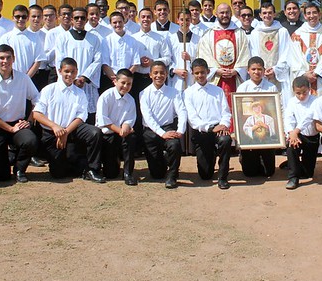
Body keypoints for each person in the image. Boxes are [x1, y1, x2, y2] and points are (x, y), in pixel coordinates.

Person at [32, 57, 106, 183]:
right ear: (60, 71)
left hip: (72, 130)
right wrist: (56, 127)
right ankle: (73, 161)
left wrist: (65, 132)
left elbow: (81, 117)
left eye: (73, 72)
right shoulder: (49, 90)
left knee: (95, 133)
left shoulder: (80, 93)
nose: (69, 75)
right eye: (66, 71)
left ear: (77, 72)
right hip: (52, 133)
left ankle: (92, 169)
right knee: (58, 174)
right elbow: (37, 114)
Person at [0, 44, 40, 183]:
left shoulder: (23, 78)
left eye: (8, 58)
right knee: (0, 176)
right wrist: (10, 129)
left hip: (17, 123)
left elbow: (38, 99)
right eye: (1, 58)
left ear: (14, 59)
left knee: (30, 140)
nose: (5, 61)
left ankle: (19, 169)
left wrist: (29, 120)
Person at [185, 58, 233, 189]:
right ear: (192, 73)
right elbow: (193, 119)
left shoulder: (217, 90)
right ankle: (210, 157)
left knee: (225, 140)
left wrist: (223, 125)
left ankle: (223, 177)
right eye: (197, 73)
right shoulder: (188, 93)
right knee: (205, 174)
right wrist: (211, 128)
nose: (200, 76)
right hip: (202, 132)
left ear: (208, 72)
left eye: (202, 72)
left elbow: (226, 112)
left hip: (219, 130)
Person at [139, 61, 188, 189]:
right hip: (150, 132)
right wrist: (162, 134)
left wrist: (180, 131)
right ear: (150, 75)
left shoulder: (174, 92)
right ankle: (164, 160)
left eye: (162, 73)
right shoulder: (144, 94)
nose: (159, 76)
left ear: (166, 74)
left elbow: (182, 111)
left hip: (168, 127)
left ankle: (172, 175)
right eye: (155, 73)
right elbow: (147, 117)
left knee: (175, 144)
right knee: (157, 174)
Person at [196, 3, 251, 107]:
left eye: (227, 12)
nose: (224, 15)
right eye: (222, 12)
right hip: (216, 78)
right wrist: (216, 70)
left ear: (231, 14)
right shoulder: (208, 34)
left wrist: (237, 70)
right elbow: (204, 54)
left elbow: (245, 53)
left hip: (235, 78)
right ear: (216, 14)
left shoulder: (239, 33)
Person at [235, 56, 278, 178]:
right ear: (248, 71)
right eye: (253, 69)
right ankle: (244, 157)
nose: (256, 72)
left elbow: (276, 112)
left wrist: (267, 126)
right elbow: (239, 113)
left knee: (268, 172)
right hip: (250, 140)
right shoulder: (243, 88)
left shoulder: (271, 88)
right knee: (250, 173)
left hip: (266, 139)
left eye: (259, 69)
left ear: (264, 71)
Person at [96, 68, 138, 185]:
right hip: (108, 134)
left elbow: (129, 119)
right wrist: (119, 130)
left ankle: (128, 173)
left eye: (129, 84)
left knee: (131, 138)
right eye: (123, 83)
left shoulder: (130, 100)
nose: (125, 86)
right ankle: (113, 163)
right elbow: (103, 120)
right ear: (115, 81)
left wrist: (126, 127)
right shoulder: (106, 97)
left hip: (122, 133)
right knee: (111, 173)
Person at [284, 3, 322, 97]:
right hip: (304, 77)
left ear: (319, 14)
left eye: (314, 13)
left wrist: (317, 72)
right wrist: (304, 73)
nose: (312, 16)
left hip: (321, 79)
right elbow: (294, 57)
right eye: (308, 13)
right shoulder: (297, 34)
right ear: (304, 16)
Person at [284, 76, 318, 190]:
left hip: (311, 136)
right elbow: (288, 118)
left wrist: (296, 130)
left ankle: (294, 165)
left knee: (308, 173)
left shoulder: (315, 101)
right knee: (291, 147)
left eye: (304, 92)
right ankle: (293, 177)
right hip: (297, 135)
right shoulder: (292, 102)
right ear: (294, 91)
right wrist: (291, 133)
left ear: (309, 89)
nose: (302, 96)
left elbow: (309, 117)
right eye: (298, 93)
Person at [248, 2, 291, 92]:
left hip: (278, 75)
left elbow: (286, 52)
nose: (267, 15)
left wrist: (275, 69)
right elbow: (253, 53)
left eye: (270, 12)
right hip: (260, 74)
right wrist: (261, 70)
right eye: (264, 13)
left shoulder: (282, 31)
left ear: (274, 14)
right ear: (260, 15)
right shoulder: (255, 33)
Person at [0, 5, 45, 78]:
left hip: (31, 78)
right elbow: (2, 59)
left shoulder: (35, 37)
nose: (20, 19)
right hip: (10, 78)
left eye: (24, 17)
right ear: (13, 18)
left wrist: (26, 78)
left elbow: (38, 60)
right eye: (17, 16)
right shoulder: (6, 38)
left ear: (27, 18)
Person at [167, 9, 198, 92]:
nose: (185, 22)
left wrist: (190, 58)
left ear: (191, 20)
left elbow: (200, 58)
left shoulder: (197, 39)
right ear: (177, 21)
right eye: (182, 20)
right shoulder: (171, 39)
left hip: (192, 77)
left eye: (187, 20)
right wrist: (175, 70)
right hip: (176, 78)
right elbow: (168, 58)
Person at [44, 4, 73, 83]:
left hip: (73, 71)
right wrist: (57, 47)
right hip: (55, 71)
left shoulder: (77, 33)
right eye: (63, 14)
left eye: (69, 14)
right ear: (59, 17)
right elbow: (47, 58)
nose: (66, 16)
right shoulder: (52, 33)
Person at [27, 4, 51, 91]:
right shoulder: (23, 36)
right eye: (33, 16)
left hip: (43, 73)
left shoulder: (47, 36)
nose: (36, 19)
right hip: (27, 73)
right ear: (28, 17)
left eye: (38, 16)